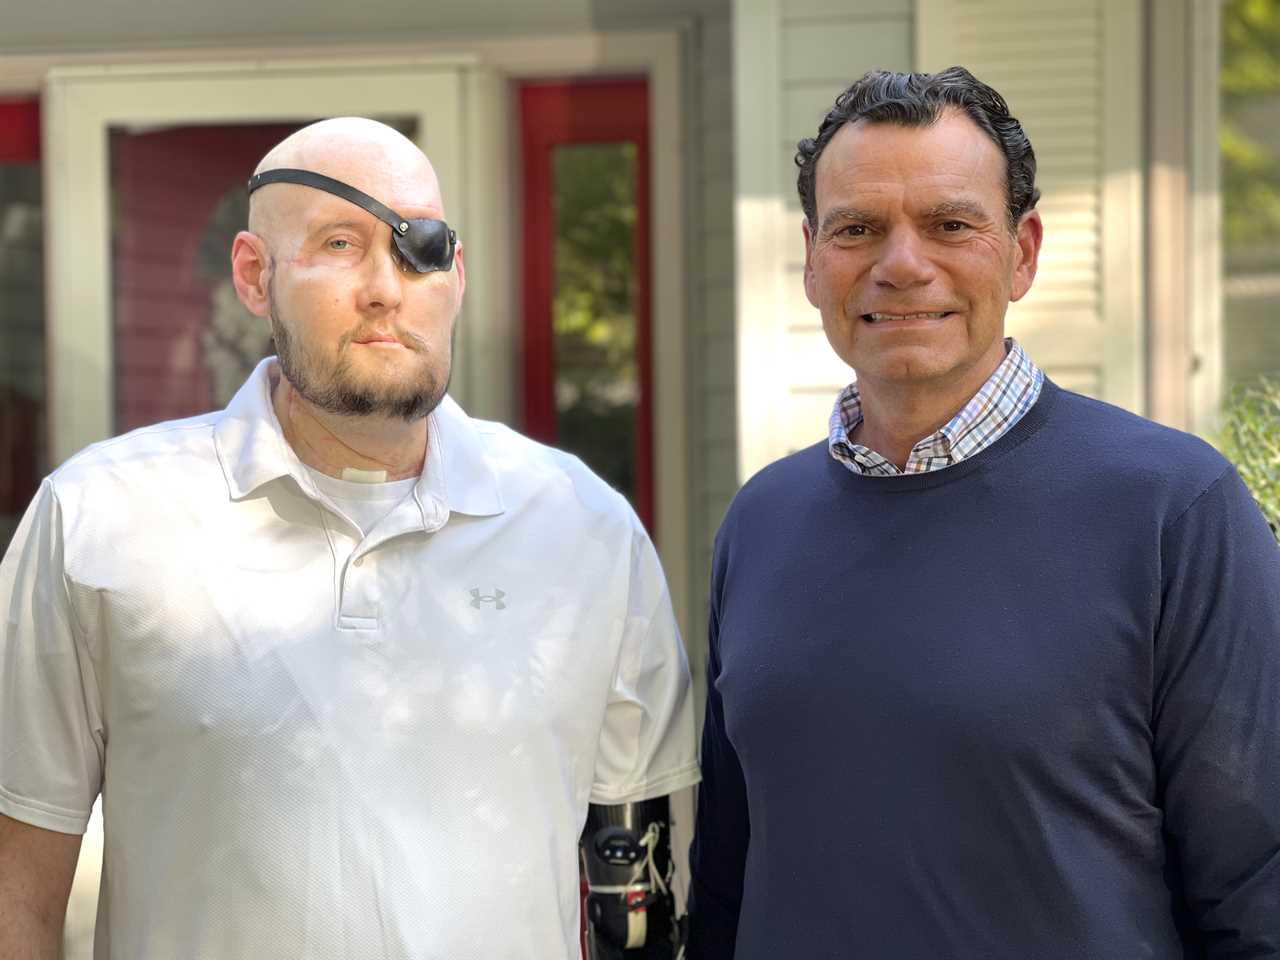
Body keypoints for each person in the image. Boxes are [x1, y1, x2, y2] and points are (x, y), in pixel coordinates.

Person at [0, 117, 699, 959]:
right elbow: (17, 887)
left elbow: (637, 905)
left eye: (421, 249)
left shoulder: (583, 531)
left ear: (458, 275)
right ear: (254, 277)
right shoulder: (99, 520)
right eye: (340, 243)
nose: (386, 288)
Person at [686, 67, 1280, 958]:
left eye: (950, 224)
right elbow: (726, 873)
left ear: (1023, 251)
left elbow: (1257, 890)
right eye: (858, 229)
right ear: (814, 260)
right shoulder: (761, 524)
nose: (902, 264)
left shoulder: (1175, 511)